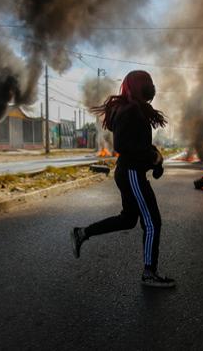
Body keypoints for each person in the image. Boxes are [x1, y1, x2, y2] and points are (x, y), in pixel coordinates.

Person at [70, 70, 174, 288]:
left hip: (130, 172)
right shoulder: (129, 110)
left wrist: (155, 159)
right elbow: (123, 146)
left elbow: (140, 145)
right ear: (135, 86)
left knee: (128, 219)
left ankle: (82, 233)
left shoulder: (136, 109)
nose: (151, 86)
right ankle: (149, 273)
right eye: (146, 82)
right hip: (132, 173)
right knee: (152, 223)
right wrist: (151, 157)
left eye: (151, 82)